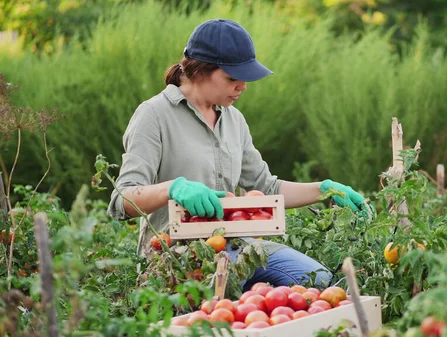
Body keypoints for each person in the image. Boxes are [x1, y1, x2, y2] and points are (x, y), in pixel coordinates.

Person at [107, 19, 369, 291]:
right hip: (176, 256)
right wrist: (172, 189)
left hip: (238, 246)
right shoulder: (154, 116)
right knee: (222, 295)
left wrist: (326, 190)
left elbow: (266, 187)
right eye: (232, 78)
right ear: (199, 71)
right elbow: (122, 199)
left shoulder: (234, 120)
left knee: (322, 282)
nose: (242, 86)